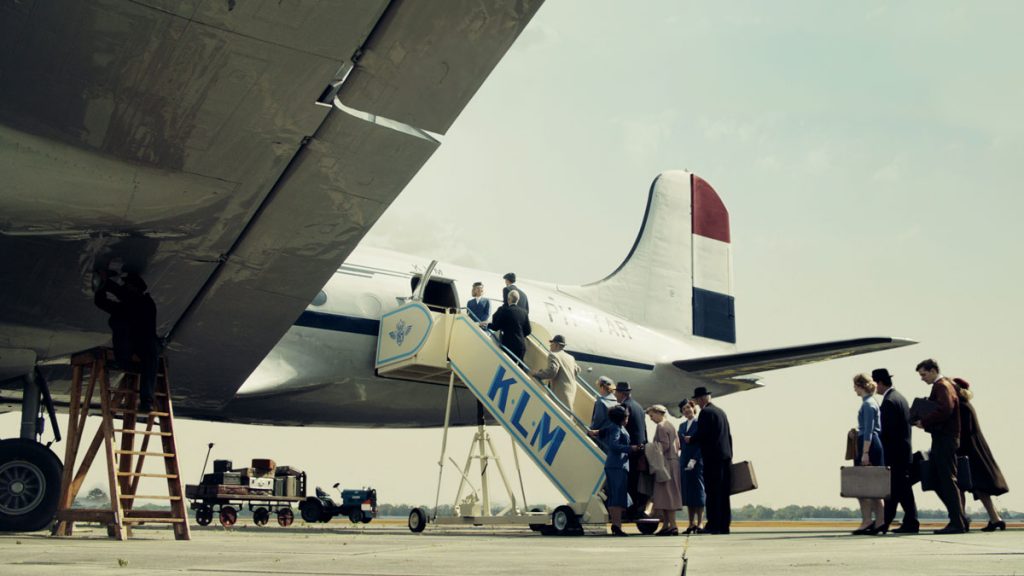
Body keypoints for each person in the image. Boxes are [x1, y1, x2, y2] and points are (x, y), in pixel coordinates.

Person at [913, 358, 967, 534]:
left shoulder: (942, 386)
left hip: (945, 438)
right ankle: (960, 519)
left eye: (924, 374)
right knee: (941, 478)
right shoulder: (945, 385)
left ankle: (957, 522)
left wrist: (924, 422)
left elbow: (945, 409)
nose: (922, 378)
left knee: (947, 479)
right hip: (945, 438)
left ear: (934, 370)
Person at [93, 271, 159, 414]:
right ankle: (145, 398)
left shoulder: (144, 303)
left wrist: (105, 284)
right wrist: (104, 286)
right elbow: (103, 302)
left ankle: (146, 400)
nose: (126, 288)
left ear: (135, 288)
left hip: (144, 343)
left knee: (150, 357)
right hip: (132, 346)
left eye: (128, 286)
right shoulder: (130, 306)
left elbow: (124, 296)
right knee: (148, 358)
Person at [953, 377, 1009, 532]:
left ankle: (962, 518)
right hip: (975, 449)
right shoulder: (967, 405)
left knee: (960, 486)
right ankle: (995, 518)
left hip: (968, 451)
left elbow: (963, 431)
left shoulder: (962, 407)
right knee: (979, 488)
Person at [873, 368, 919, 534]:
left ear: (879, 383)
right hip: (903, 452)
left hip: (895, 454)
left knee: (897, 490)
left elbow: (888, 432)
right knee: (901, 490)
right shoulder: (900, 398)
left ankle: (890, 522)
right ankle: (902, 522)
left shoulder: (889, 402)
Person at [684, 386, 732, 534]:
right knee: (724, 493)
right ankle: (724, 525)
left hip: (712, 458)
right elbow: (728, 436)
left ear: (701, 399)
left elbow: (703, 434)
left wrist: (691, 439)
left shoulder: (706, 413)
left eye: (697, 400)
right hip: (725, 457)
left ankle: (713, 524)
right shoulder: (721, 412)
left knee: (712, 492)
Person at [851, 373, 885, 535]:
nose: (854, 389)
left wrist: (865, 452)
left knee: (864, 487)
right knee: (871, 488)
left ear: (860, 386)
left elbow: (869, 431)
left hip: (868, 444)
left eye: (855, 386)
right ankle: (877, 522)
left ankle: (869, 521)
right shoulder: (871, 403)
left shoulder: (868, 405)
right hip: (869, 442)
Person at [613, 381, 648, 517]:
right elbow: (643, 429)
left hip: (630, 448)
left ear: (622, 393)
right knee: (636, 480)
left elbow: (620, 428)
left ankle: (630, 509)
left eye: (616, 392)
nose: (615, 395)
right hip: (640, 447)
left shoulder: (624, 406)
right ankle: (638, 508)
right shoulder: (638, 406)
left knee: (628, 480)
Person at [600, 405, 636, 536]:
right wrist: (630, 448)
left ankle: (616, 524)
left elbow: (604, 431)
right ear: (621, 418)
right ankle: (616, 525)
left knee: (617, 495)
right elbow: (613, 445)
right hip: (617, 465)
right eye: (626, 416)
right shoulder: (616, 428)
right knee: (617, 495)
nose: (627, 418)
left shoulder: (617, 427)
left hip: (618, 465)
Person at [646, 404, 682, 535]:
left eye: (651, 416)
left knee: (667, 494)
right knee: (667, 494)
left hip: (665, 463)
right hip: (673, 462)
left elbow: (664, 446)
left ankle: (672, 525)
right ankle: (667, 524)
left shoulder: (661, 426)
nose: (651, 419)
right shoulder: (670, 425)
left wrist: (650, 448)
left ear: (658, 413)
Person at [531, 335, 580, 413]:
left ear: (557, 345)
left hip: (560, 390)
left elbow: (552, 372)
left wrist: (537, 374)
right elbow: (577, 370)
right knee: (567, 412)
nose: (550, 346)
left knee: (559, 412)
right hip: (571, 389)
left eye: (552, 343)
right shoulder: (571, 357)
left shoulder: (554, 355)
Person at [678, 400, 705, 534]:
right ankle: (691, 523)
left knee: (698, 492)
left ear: (693, 408)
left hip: (697, 461)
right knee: (688, 493)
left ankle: (700, 522)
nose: (687, 410)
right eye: (684, 409)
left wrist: (695, 459)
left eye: (688, 407)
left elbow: (701, 443)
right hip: (684, 460)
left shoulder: (699, 424)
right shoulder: (682, 426)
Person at [484, 290, 531, 360]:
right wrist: (519, 335)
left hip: (509, 345)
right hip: (521, 346)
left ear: (508, 299)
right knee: (519, 366)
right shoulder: (524, 312)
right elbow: (528, 331)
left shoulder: (506, 311)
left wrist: (487, 325)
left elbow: (496, 327)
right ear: (517, 300)